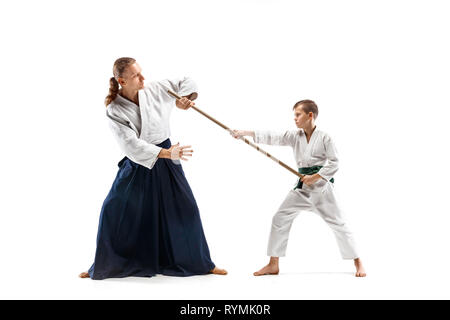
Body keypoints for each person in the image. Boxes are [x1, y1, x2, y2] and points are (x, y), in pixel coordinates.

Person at [79, 57, 227, 280]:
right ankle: (104, 264)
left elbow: (188, 82)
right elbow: (131, 144)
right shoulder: (114, 108)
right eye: (136, 75)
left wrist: (183, 100)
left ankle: (201, 263)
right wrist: (167, 154)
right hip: (141, 160)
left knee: (185, 207)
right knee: (114, 209)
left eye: (141, 72)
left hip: (168, 154)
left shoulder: (156, 88)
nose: (143, 78)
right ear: (122, 80)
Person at [232, 100, 366, 277]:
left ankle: (358, 262)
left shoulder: (325, 137)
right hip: (302, 189)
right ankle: (273, 264)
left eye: (298, 114)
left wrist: (315, 177)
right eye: (294, 115)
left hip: (322, 191)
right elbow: (274, 136)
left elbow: (335, 162)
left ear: (310, 115)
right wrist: (245, 133)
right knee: (280, 217)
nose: (294, 118)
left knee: (339, 224)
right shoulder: (295, 136)